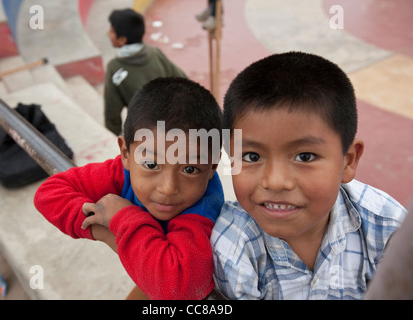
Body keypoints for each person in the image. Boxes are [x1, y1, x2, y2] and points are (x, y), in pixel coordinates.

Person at [210, 52, 407, 299]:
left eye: (304, 157)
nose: (275, 181)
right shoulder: (230, 246)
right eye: (251, 157)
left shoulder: (388, 226)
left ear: (348, 161)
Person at [34, 77, 224, 300]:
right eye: (152, 165)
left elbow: (179, 288)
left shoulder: (202, 206)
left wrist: (120, 220)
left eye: (190, 169)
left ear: (212, 166)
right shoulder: (123, 171)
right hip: (152, 274)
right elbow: (50, 193)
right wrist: (98, 229)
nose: (168, 188)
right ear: (126, 154)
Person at [104, 8, 187, 136]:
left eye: (112, 31)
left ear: (122, 40)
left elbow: (112, 110)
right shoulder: (155, 52)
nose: (108, 34)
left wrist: (115, 133)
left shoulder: (114, 68)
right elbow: (182, 80)